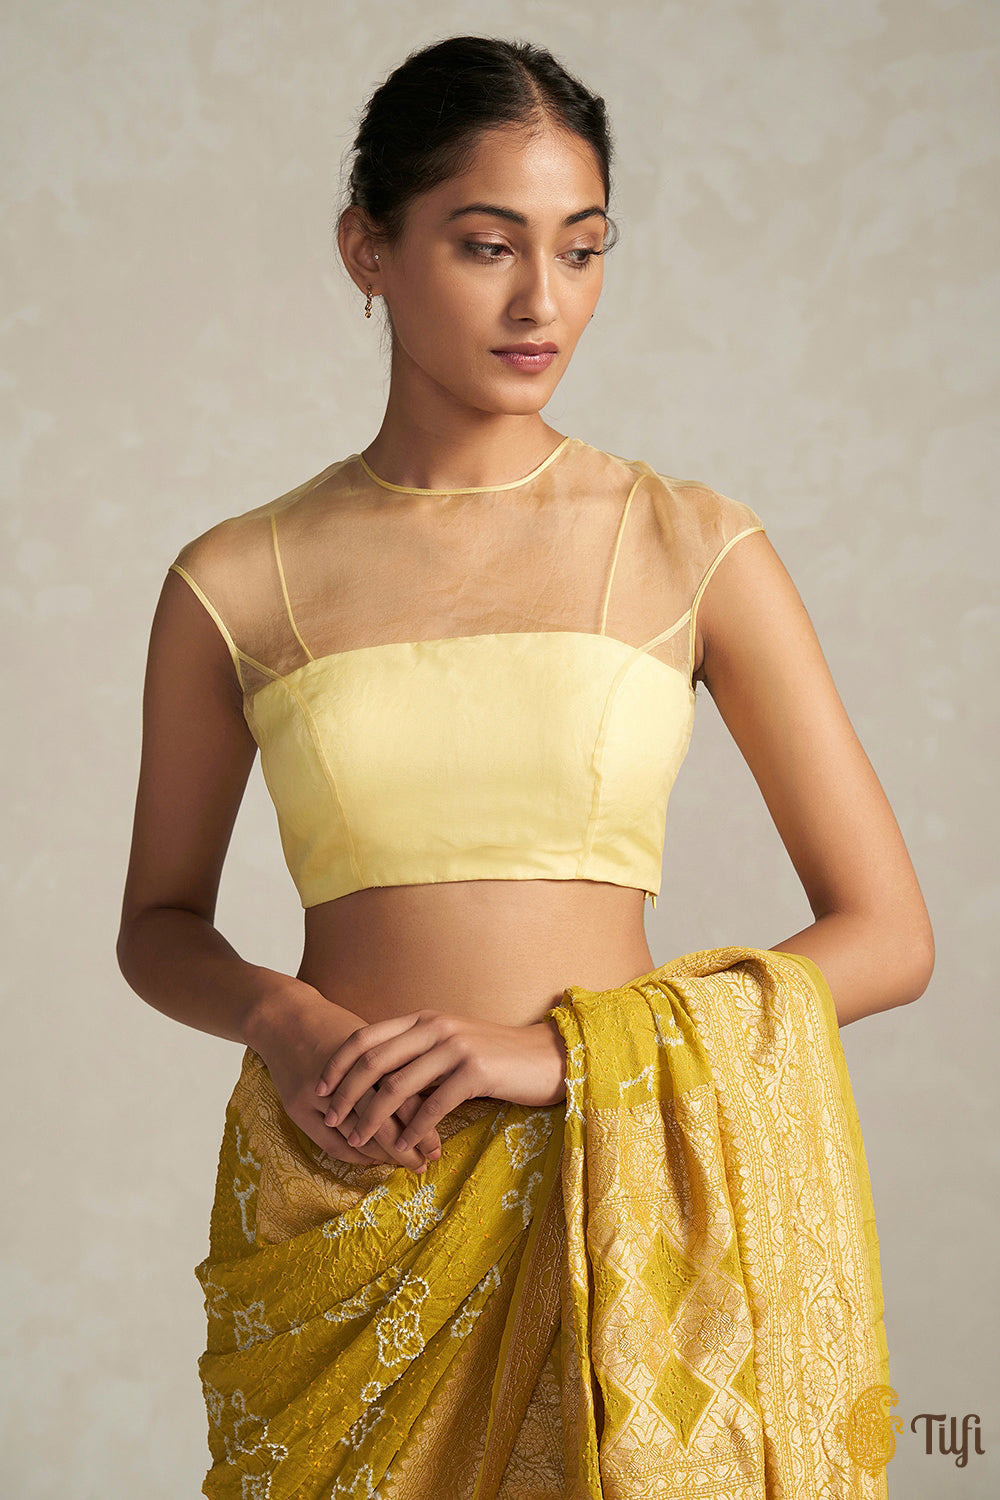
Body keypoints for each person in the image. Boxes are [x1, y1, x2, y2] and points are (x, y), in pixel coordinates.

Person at [116, 34, 934, 1500]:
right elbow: (158, 925)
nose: (542, 299)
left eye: (583, 248)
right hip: (345, 1193)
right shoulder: (236, 579)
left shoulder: (691, 546)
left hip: (618, 1184)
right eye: (488, 245)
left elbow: (889, 935)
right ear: (369, 248)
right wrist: (280, 1017)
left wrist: (561, 1056)